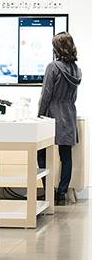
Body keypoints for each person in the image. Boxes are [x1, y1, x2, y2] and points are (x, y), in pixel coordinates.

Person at [38, 32, 81, 205]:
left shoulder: (53, 67)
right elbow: (73, 97)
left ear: (57, 48)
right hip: (69, 113)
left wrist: (39, 116)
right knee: (66, 156)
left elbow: (46, 94)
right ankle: (62, 193)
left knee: (41, 153)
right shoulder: (76, 70)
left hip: (52, 115)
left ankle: (49, 190)